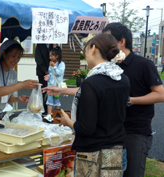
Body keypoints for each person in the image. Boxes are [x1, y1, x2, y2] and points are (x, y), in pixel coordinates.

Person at [43, 33, 130, 176]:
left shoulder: (92, 83)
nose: (85, 54)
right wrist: (61, 89)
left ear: (94, 49)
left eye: (86, 50)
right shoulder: (122, 78)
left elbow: (86, 128)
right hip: (117, 151)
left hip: (93, 155)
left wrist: (68, 121)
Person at [103, 23, 164, 177]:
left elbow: (160, 94)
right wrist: (62, 90)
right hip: (112, 131)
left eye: (108, 39)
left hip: (136, 132)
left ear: (121, 42)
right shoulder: (110, 66)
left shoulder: (144, 65)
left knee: (133, 173)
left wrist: (130, 100)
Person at [43, 46, 65, 122]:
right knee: (49, 100)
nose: (50, 57)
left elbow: (59, 73)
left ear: (57, 56)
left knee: (56, 101)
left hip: (57, 86)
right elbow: (51, 74)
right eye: (50, 56)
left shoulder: (61, 64)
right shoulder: (51, 64)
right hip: (50, 85)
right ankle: (49, 115)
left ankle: (56, 116)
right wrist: (47, 76)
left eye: (52, 56)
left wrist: (54, 66)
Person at [35, 44, 55, 115]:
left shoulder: (53, 44)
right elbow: (38, 59)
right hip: (42, 72)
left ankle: (49, 110)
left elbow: (57, 55)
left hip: (52, 71)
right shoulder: (39, 45)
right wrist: (45, 71)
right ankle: (41, 109)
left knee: (51, 90)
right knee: (43, 90)